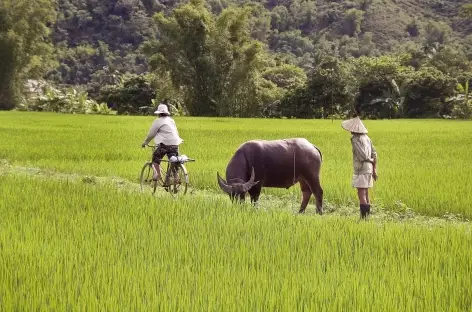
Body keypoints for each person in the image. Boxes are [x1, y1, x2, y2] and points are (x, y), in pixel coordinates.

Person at [341, 116, 378, 219]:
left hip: (361, 168)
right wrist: (374, 169)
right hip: (369, 169)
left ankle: (363, 219)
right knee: (366, 193)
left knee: (361, 193)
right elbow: (375, 154)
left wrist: (369, 159)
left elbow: (363, 156)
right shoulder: (367, 138)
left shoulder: (355, 139)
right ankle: (367, 218)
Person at [141, 102, 183, 181]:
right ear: (166, 113)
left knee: (155, 159)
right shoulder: (171, 120)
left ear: (159, 113)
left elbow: (151, 134)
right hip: (175, 144)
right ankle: (176, 177)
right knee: (174, 160)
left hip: (165, 145)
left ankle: (157, 174)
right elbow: (176, 132)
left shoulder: (158, 121)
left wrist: (145, 142)